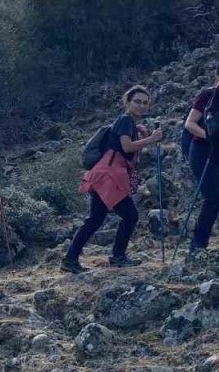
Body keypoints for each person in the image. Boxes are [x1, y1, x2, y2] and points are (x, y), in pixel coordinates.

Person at [63, 86, 163, 272]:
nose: (141, 106)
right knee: (129, 215)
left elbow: (126, 148)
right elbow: (126, 147)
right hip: (109, 177)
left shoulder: (128, 123)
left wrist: (142, 135)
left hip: (105, 175)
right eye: (137, 102)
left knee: (96, 219)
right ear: (127, 102)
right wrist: (152, 139)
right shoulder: (125, 120)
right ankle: (116, 256)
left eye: (145, 103)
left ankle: (71, 259)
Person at [181, 85, 219, 252]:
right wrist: (211, 138)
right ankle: (198, 243)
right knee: (213, 196)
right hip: (202, 149)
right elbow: (190, 124)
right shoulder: (209, 94)